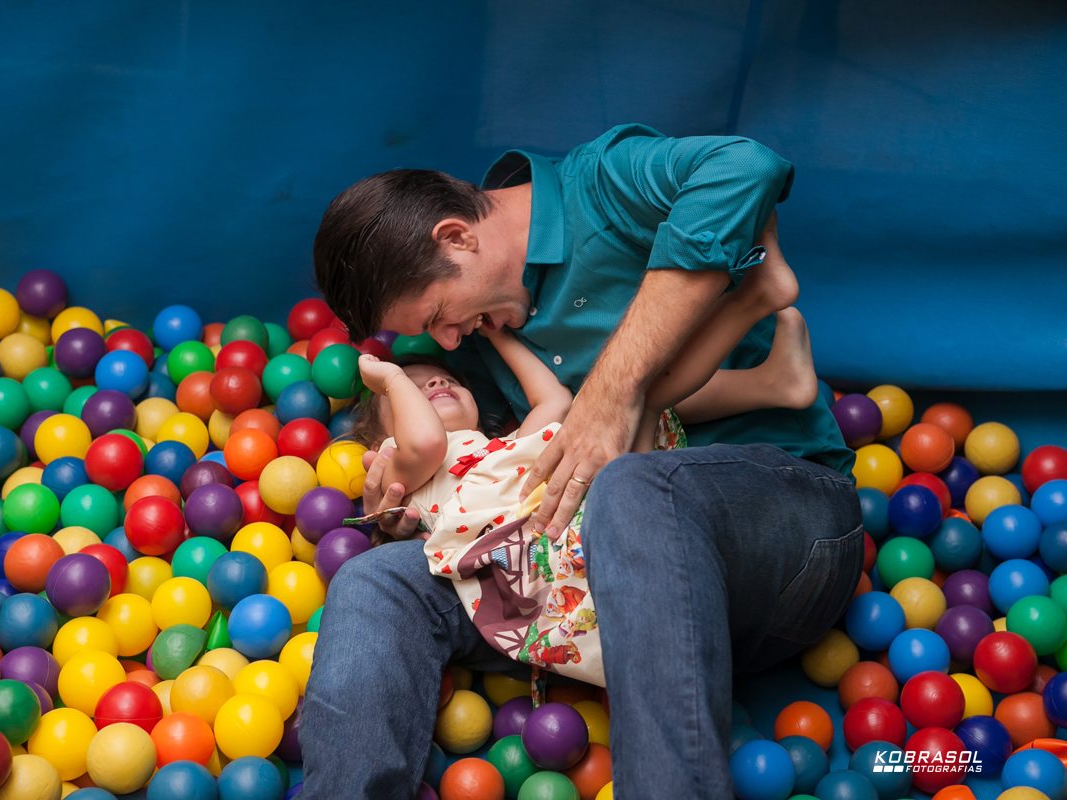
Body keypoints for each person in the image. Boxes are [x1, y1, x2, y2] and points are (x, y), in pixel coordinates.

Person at [302, 124, 864, 799]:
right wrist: (393, 501)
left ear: (456, 238)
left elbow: (748, 165)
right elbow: (461, 462)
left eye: (441, 314)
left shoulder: (599, 186)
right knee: (376, 581)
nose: (447, 339)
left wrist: (612, 387)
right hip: (586, 602)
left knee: (632, 487)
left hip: (784, 543)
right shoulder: (473, 344)